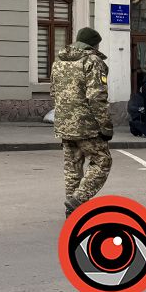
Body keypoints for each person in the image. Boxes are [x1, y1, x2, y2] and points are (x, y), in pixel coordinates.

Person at [50, 27, 113, 218]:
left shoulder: (58, 61)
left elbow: (53, 91)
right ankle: (78, 200)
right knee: (102, 161)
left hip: (63, 123)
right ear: (94, 44)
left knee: (72, 167)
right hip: (87, 124)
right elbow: (96, 97)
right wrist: (106, 126)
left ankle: (72, 211)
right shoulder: (93, 61)